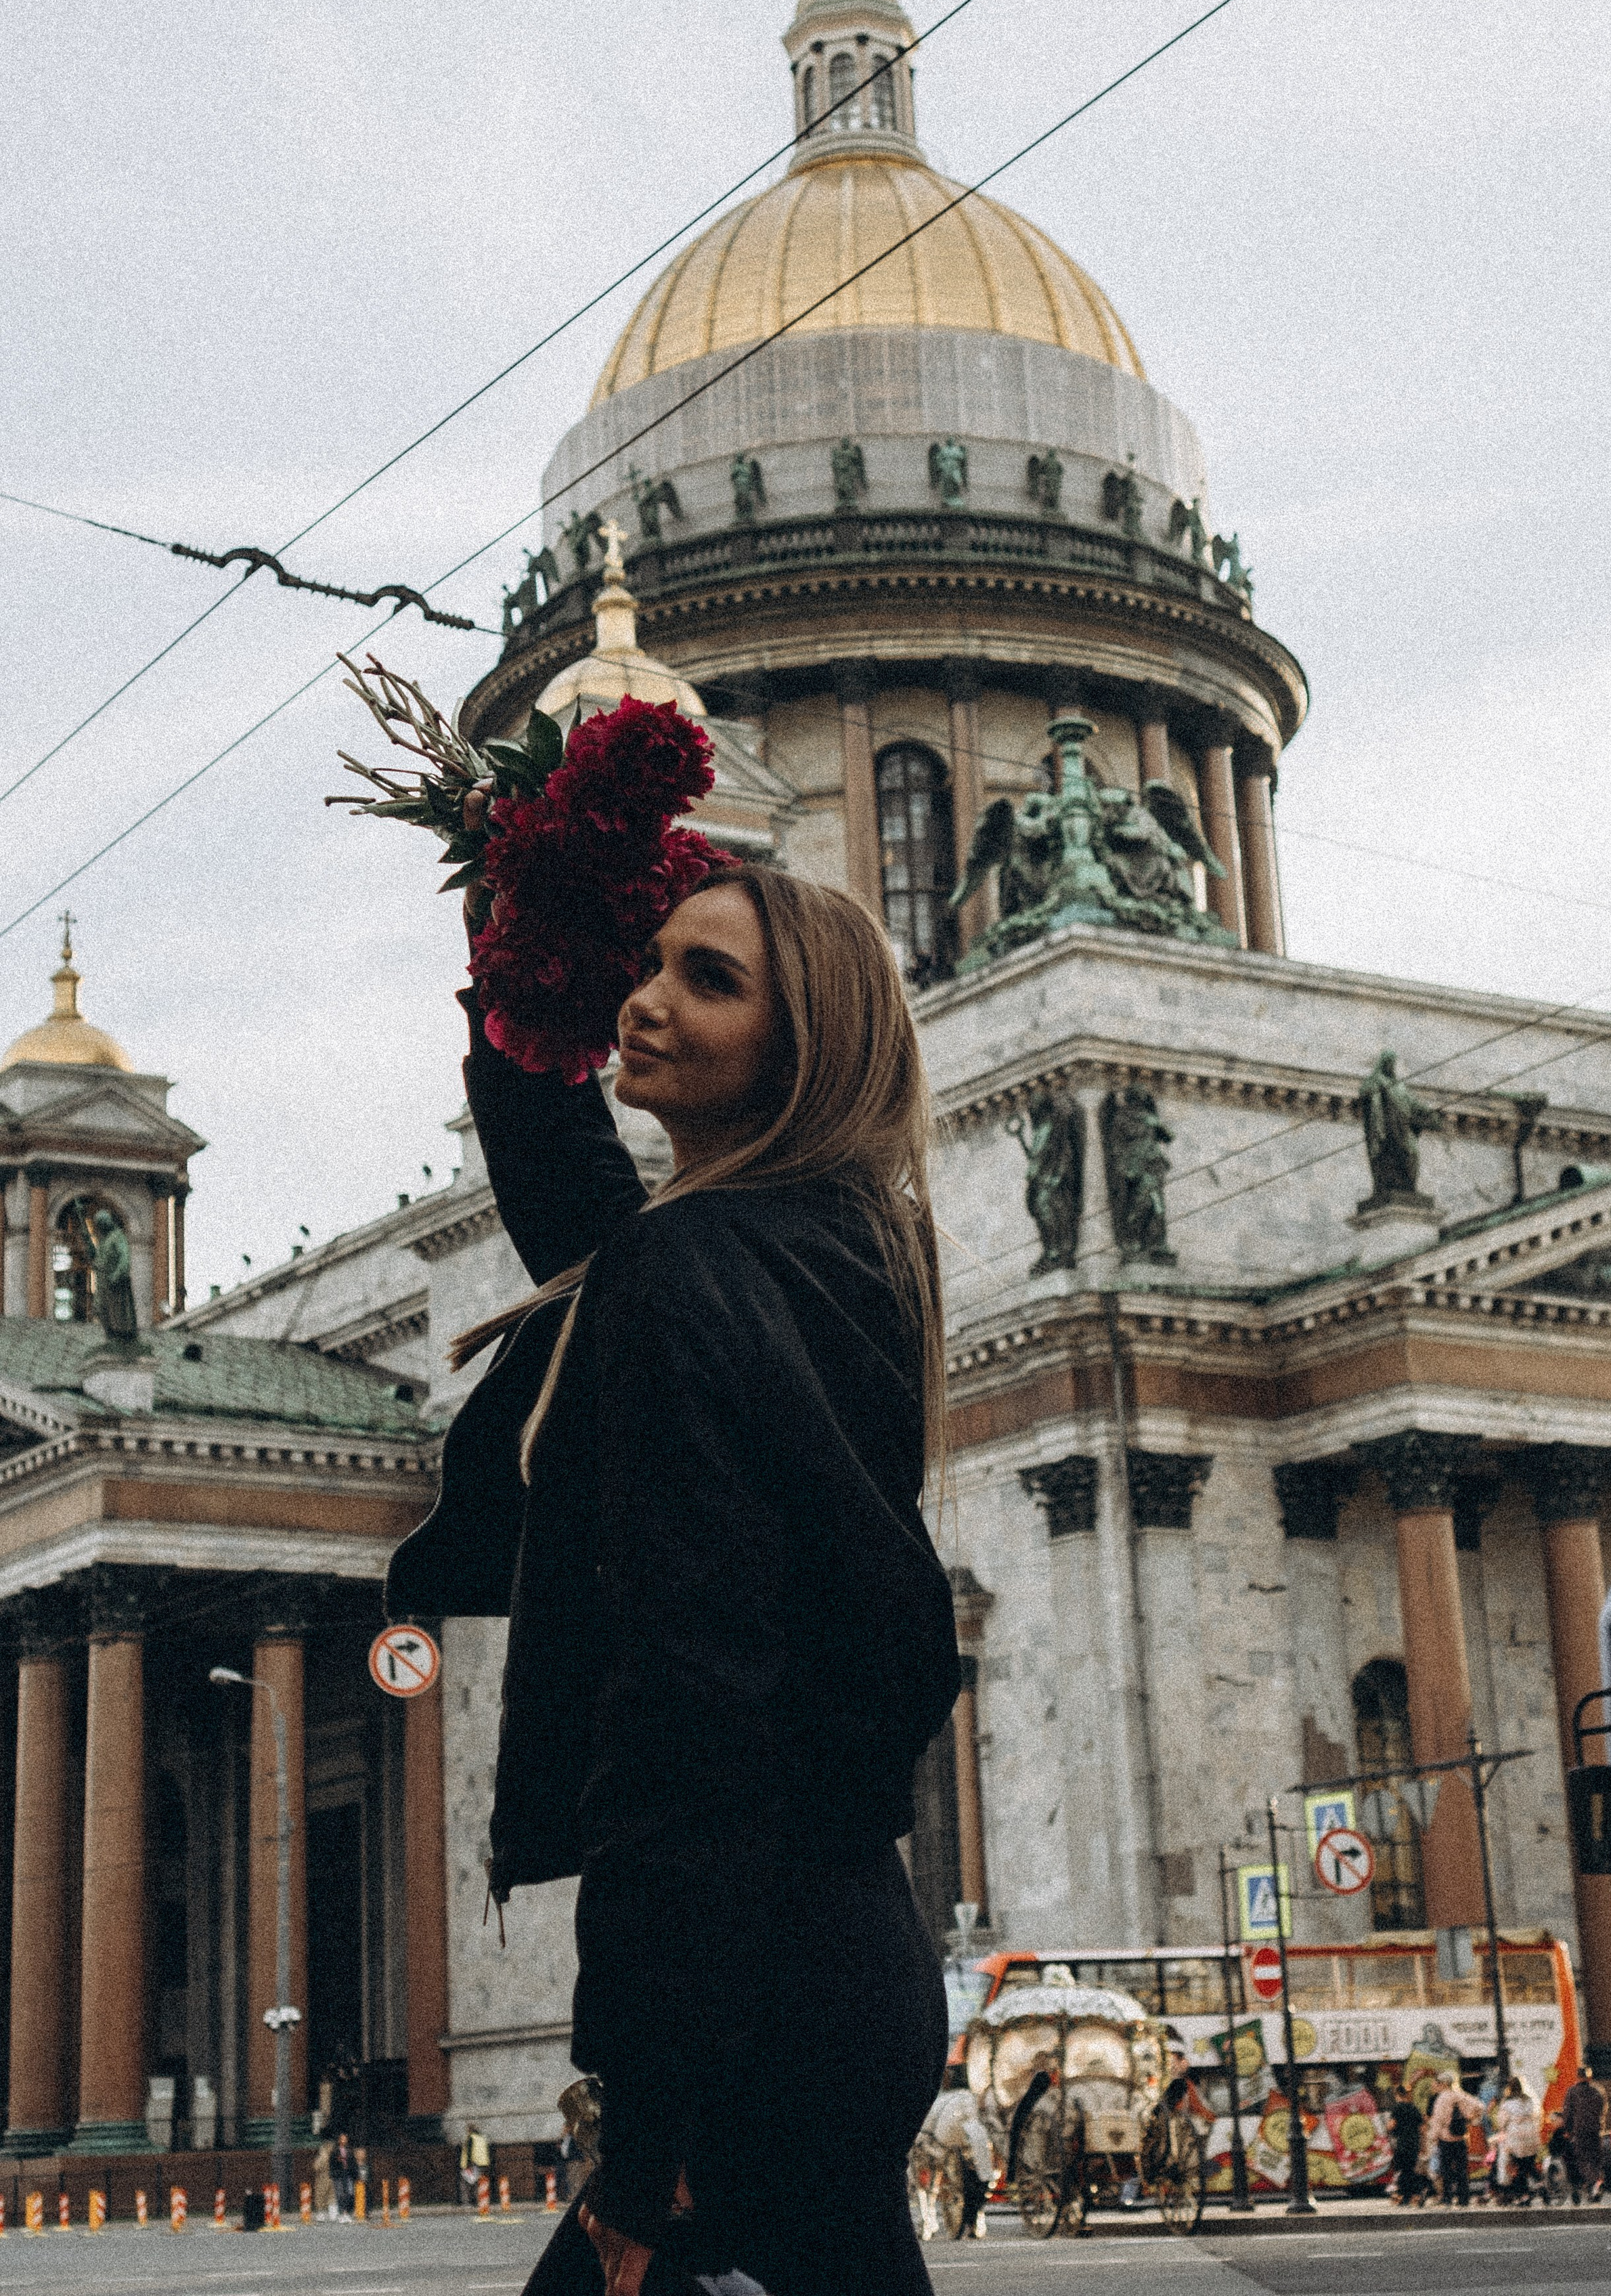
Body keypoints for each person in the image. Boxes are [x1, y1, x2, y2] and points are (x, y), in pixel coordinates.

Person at [388, 864, 961, 2296]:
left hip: (746, 2007)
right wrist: (520, 931)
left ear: (805, 1039)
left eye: (709, 978)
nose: (643, 1000)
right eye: (643, 960)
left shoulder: (690, 1267)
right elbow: (588, 1202)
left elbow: (694, 1717)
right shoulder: (837, 1246)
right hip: (837, 1964)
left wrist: (647, 2135)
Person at [1427, 2070, 1478, 2208]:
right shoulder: (1460, 2095)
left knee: (1446, 2170)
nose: (1436, 2085)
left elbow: (1438, 2121)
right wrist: (1472, 2119)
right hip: (1461, 2139)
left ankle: (1448, 2198)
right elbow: (1479, 2106)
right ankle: (1464, 2199)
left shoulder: (1442, 2099)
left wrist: (1432, 2138)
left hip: (1446, 2140)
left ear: (1443, 2084)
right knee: (1462, 2170)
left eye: (1438, 2083)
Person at [1560, 2063, 1606, 2203]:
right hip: (1595, 2131)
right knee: (1595, 2158)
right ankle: (1596, 2183)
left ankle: (1592, 2184)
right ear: (1590, 2077)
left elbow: (1567, 2114)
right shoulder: (1598, 2091)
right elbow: (1603, 2111)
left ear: (1578, 2077)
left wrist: (1567, 2131)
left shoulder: (1572, 2092)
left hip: (1579, 2132)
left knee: (1583, 2160)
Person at [1493, 2075, 1542, 2202]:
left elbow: (1501, 2123)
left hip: (1516, 2138)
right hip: (1532, 2136)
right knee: (1529, 2164)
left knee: (1518, 2167)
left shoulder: (1507, 2104)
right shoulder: (1529, 2101)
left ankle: (1524, 2195)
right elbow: (1538, 2115)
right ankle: (1541, 2184)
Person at [1388, 2082, 1425, 2206]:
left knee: (1403, 2170)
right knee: (1410, 2169)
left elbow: (1392, 2125)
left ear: (1397, 2094)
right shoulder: (1414, 2108)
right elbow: (1422, 2129)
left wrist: (1389, 2129)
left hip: (1402, 2143)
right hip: (1414, 2143)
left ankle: (1407, 2196)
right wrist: (1422, 2145)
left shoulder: (1397, 2108)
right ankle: (1415, 2194)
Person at [330, 2131, 357, 2221]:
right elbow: (332, 2164)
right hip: (338, 2175)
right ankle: (342, 2213)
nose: (344, 2140)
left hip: (348, 2174)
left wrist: (354, 2173)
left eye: (345, 2139)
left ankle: (348, 2212)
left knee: (350, 2193)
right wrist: (334, 2174)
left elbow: (353, 2163)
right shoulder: (335, 2151)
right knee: (340, 2194)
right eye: (342, 2139)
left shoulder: (350, 2150)